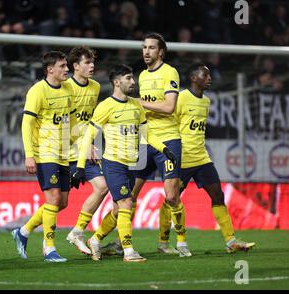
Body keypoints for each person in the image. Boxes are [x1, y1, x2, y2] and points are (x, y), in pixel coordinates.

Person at [71, 64, 176, 262]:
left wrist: (164, 149)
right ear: (117, 82)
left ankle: (96, 239)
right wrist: (80, 166)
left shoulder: (137, 106)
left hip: (131, 164)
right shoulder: (105, 106)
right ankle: (128, 251)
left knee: (120, 209)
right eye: (129, 78)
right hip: (113, 163)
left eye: (133, 78)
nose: (133, 82)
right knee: (127, 203)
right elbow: (88, 137)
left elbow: (147, 133)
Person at [101, 32, 191, 257]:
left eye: (151, 48)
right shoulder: (140, 76)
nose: (146, 51)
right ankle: (114, 242)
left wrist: (139, 102)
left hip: (168, 139)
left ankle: (177, 242)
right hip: (143, 141)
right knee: (127, 197)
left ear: (161, 51)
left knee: (171, 196)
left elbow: (170, 106)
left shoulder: (170, 72)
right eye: (144, 47)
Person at [176, 63, 256, 253]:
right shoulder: (181, 98)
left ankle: (231, 240)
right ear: (194, 78)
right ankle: (175, 243)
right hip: (183, 157)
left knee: (218, 195)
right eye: (206, 75)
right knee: (172, 198)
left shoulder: (206, 101)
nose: (210, 78)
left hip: (202, 158)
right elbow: (171, 125)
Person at [12, 51, 75, 263]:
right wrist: (30, 155)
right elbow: (26, 124)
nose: (67, 69)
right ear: (50, 69)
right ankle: (49, 248)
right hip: (45, 152)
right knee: (53, 198)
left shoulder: (68, 89)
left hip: (63, 153)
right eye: (63, 66)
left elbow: (70, 121)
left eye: (67, 66)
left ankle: (23, 231)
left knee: (62, 202)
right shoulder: (37, 91)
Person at [65, 46, 109, 256]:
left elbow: (90, 120)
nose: (92, 66)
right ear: (75, 66)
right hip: (63, 148)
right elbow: (62, 123)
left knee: (102, 186)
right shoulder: (64, 87)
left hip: (84, 148)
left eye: (93, 62)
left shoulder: (95, 87)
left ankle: (77, 231)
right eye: (87, 63)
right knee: (56, 201)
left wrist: (89, 141)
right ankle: (30, 235)